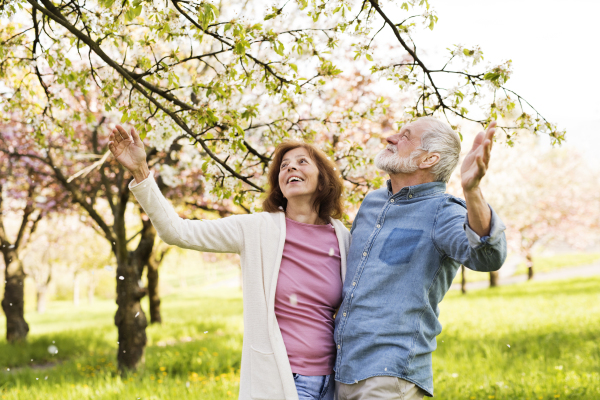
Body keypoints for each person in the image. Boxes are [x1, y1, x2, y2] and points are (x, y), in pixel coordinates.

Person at [108, 125, 350, 400]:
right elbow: (178, 231)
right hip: (282, 383)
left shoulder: (342, 238)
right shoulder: (257, 229)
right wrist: (141, 171)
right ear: (280, 184)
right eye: (284, 166)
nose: (291, 168)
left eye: (302, 162)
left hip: (333, 384)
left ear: (322, 180)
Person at [333, 118, 507, 399]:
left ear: (428, 158)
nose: (390, 138)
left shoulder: (443, 211)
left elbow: (488, 258)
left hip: (390, 375)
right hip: (341, 370)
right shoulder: (372, 203)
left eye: (405, 136)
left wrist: (472, 190)